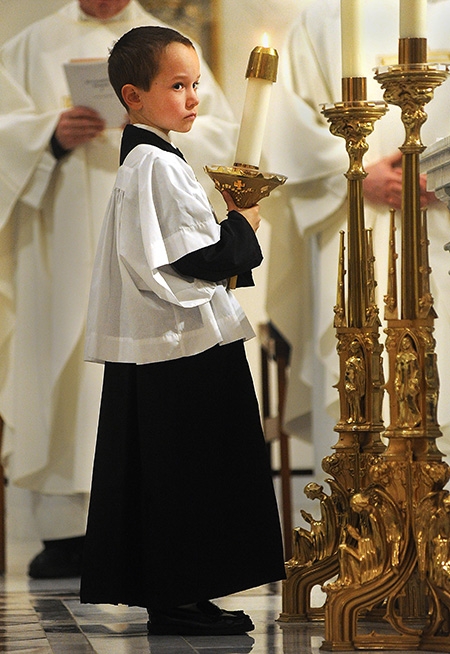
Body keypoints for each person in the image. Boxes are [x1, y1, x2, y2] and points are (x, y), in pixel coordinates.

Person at [0, 0, 238, 578]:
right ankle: (63, 530)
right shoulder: (33, 43)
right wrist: (49, 136)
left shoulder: (165, 43)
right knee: (60, 366)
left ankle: (151, 520)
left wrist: (151, 125)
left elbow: (225, 130)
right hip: (59, 238)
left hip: (155, 236)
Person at [79, 25, 285, 636]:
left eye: (196, 84)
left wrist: (232, 234)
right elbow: (190, 260)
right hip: (178, 344)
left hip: (174, 341)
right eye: (178, 85)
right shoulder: (154, 164)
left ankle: (183, 592)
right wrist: (243, 225)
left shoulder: (154, 157)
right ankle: (174, 597)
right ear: (132, 95)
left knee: (184, 467)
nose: (194, 97)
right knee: (187, 467)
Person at [264, 0, 450, 478]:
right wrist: (351, 174)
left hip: (444, 222)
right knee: (359, 381)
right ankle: (363, 536)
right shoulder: (323, 19)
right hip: (357, 223)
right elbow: (285, 130)